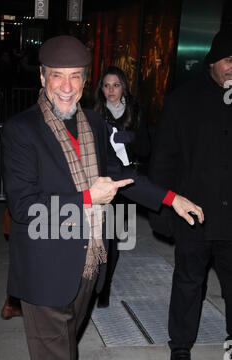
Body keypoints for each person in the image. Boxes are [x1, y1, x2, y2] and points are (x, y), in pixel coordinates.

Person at [2, 35, 204, 360]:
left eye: (75, 76)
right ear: (42, 77)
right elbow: (24, 207)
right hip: (44, 269)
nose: (66, 86)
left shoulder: (93, 123)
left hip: (87, 264)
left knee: (51, 358)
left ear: (84, 79)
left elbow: (122, 175)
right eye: (57, 76)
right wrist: (89, 198)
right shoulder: (21, 130)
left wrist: (170, 197)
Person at [149, 28, 232, 360]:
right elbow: (164, 159)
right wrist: (163, 212)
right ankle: (180, 345)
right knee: (188, 283)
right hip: (193, 214)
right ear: (213, 61)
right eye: (229, 60)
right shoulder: (183, 101)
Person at [94, 65, 150, 307]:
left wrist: (131, 140)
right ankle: (96, 283)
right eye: (106, 85)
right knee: (98, 236)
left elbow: (147, 148)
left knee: (113, 239)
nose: (111, 91)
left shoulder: (135, 111)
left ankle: (104, 288)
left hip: (125, 184)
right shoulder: (94, 112)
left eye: (116, 85)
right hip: (101, 182)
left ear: (124, 87)